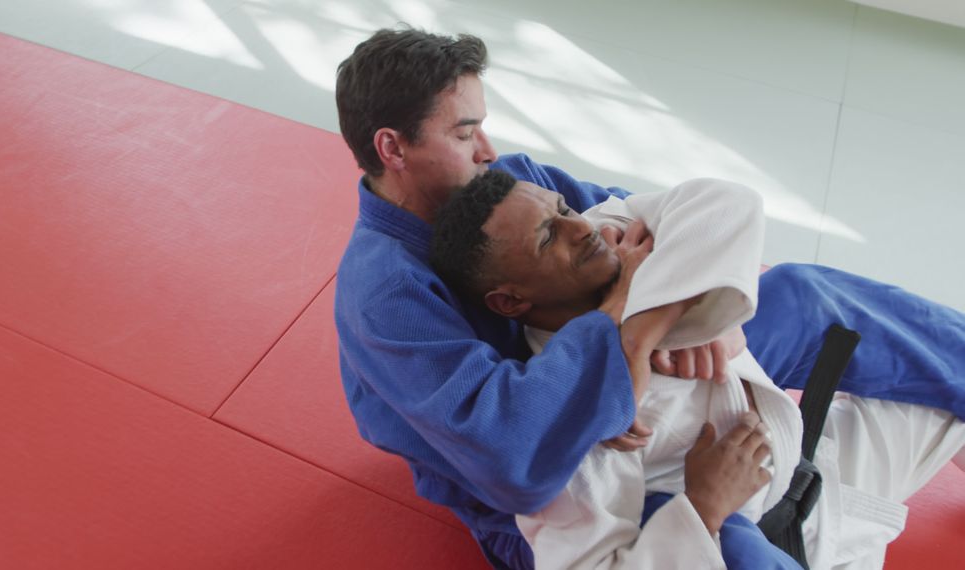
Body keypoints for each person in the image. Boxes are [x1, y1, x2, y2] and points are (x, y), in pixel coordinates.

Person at [333, 27, 965, 569]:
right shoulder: (386, 297)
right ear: (393, 148)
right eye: (466, 132)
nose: (488, 151)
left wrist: (691, 303)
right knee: (723, 539)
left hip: (633, 377)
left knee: (799, 292)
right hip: (567, 483)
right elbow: (511, 454)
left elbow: (645, 222)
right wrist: (626, 335)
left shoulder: (513, 182)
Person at [429, 169, 965, 569]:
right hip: (765, 540)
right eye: (549, 237)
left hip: (815, 461)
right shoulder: (564, 419)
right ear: (510, 302)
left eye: (563, 208)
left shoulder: (603, 241)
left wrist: (648, 325)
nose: (578, 227)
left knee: (802, 291)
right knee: (731, 544)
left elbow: (723, 200)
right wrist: (704, 509)